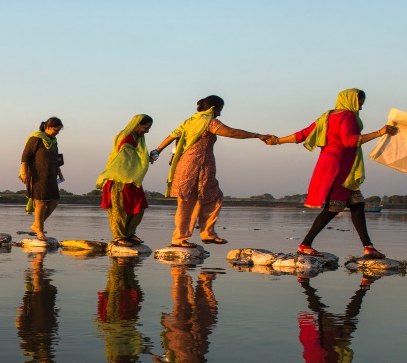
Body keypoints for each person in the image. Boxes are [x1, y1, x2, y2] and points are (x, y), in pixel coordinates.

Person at [266, 88, 398, 258]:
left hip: (329, 165)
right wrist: (379, 133)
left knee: (357, 204)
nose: (361, 108)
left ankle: (368, 247)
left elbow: (302, 135)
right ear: (350, 100)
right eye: (360, 103)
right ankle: (305, 244)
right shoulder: (348, 116)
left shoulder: (326, 117)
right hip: (339, 167)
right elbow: (350, 141)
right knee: (333, 208)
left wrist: (277, 141)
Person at [152, 96, 272, 247]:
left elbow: (172, 136)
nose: (219, 114)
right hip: (198, 164)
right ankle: (194, 236)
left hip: (186, 164)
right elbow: (232, 133)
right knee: (205, 198)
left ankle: (192, 236)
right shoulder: (208, 121)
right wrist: (257, 135)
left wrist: (157, 150)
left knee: (193, 199)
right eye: (219, 110)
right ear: (213, 108)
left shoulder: (191, 120)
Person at [96, 114, 153, 246]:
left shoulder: (137, 139)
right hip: (118, 178)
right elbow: (124, 159)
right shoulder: (125, 138)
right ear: (137, 124)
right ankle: (119, 237)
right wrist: (143, 159)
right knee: (119, 210)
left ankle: (129, 234)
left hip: (132, 178)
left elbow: (135, 158)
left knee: (139, 207)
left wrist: (144, 159)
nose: (147, 131)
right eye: (145, 128)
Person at [19, 117, 64, 241]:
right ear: (48, 127)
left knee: (54, 200)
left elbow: (56, 158)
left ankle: (37, 225)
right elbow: (25, 156)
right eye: (55, 130)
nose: (57, 133)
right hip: (37, 174)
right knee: (41, 202)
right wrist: (24, 173)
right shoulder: (36, 139)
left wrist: (59, 172)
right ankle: (40, 230)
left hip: (51, 174)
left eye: (59, 131)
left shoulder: (53, 141)